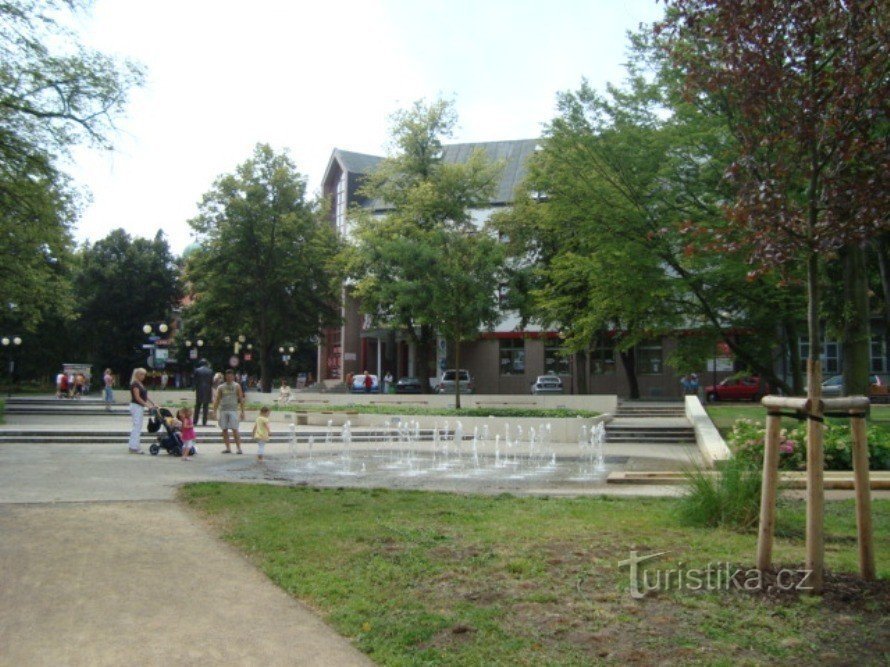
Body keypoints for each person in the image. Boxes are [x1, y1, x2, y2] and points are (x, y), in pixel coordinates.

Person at [212, 369, 245, 454]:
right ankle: (228, 448)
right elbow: (217, 399)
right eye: (227, 376)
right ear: (225, 377)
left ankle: (239, 448)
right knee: (224, 429)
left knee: (235, 429)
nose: (229, 377)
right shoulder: (221, 387)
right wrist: (214, 411)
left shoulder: (237, 386)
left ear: (233, 376)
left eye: (231, 376)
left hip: (233, 410)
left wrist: (242, 411)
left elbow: (241, 398)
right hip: (223, 410)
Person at [128, 368, 155, 454]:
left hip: (139, 407)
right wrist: (147, 405)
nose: (143, 376)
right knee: (137, 426)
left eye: (144, 374)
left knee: (138, 426)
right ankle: (133, 447)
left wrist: (153, 403)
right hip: (136, 406)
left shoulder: (140, 384)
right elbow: (137, 398)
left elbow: (145, 396)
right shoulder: (135, 384)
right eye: (141, 374)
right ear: (137, 375)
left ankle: (134, 445)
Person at [193, 359, 214, 427]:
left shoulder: (197, 370)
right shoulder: (210, 371)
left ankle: (195, 421)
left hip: (199, 389)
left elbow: (195, 380)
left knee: (197, 406)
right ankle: (204, 422)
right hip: (207, 389)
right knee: (206, 407)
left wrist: (193, 387)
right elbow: (211, 381)